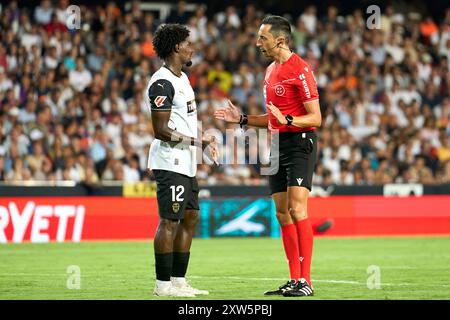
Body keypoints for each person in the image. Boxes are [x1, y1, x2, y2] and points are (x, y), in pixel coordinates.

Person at [215, 15, 321, 297]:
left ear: (280, 40)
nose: (258, 42)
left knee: (298, 210)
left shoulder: (300, 70)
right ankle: (294, 279)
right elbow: (273, 120)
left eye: (263, 37)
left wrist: (286, 119)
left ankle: (306, 282)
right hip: (277, 145)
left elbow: (316, 118)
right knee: (281, 212)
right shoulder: (270, 71)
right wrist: (242, 119)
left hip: (300, 143)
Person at [146, 23, 217, 297]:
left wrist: (203, 145)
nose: (192, 48)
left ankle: (178, 282)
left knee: (191, 217)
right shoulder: (161, 82)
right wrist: (201, 142)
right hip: (169, 162)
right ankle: (162, 285)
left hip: (186, 162)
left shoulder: (183, 79)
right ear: (177, 47)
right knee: (169, 221)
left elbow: (186, 121)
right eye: (188, 43)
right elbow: (161, 130)